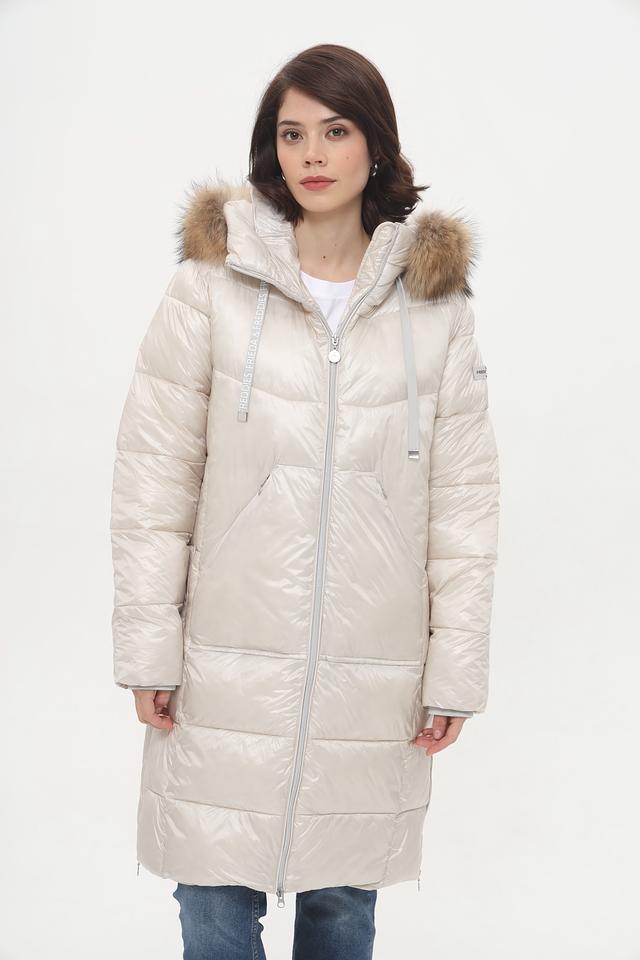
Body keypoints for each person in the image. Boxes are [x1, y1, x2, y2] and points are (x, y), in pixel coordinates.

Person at [109, 42, 500, 960]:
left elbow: (464, 508)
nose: (312, 154)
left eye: (336, 130)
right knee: (213, 910)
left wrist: (455, 669)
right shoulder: (210, 287)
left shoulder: (434, 310)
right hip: (223, 664)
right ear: (270, 148)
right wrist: (148, 646)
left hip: (372, 671)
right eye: (292, 134)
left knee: (341, 913)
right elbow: (153, 479)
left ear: (376, 146)